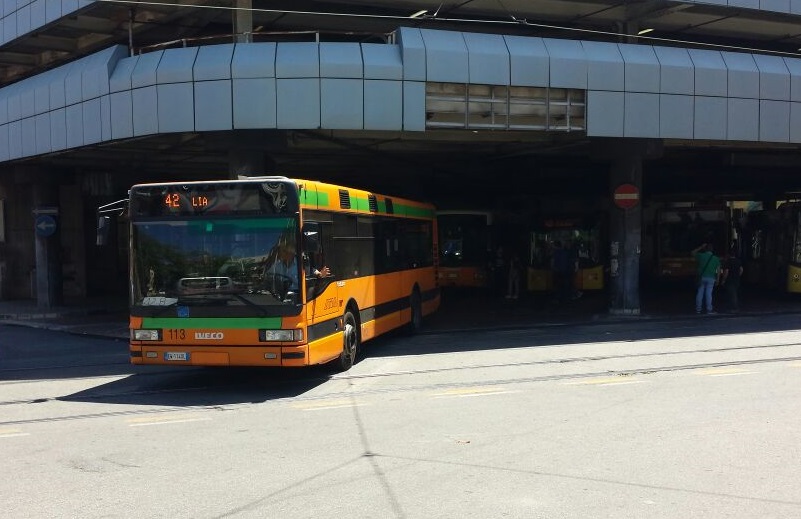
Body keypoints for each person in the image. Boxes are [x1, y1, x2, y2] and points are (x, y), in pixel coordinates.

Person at [691, 242, 721, 314]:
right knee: (709, 293)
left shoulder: (701, 256)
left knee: (700, 292)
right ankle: (709, 309)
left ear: (705, 249)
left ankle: (698, 309)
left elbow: (692, 252)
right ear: (712, 250)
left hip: (702, 277)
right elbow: (718, 270)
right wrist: (717, 279)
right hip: (711, 278)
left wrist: (701, 247)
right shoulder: (716, 258)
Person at [720, 248, 743, 312]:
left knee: (732, 294)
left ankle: (734, 307)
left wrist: (723, 280)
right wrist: (738, 275)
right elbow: (741, 270)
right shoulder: (738, 261)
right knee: (734, 292)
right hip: (736, 279)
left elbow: (726, 271)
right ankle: (732, 307)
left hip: (729, 280)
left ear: (729, 255)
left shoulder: (728, 262)